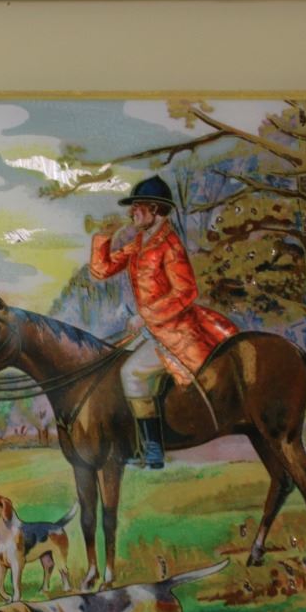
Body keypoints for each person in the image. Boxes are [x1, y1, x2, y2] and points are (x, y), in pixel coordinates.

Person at [88, 175, 238, 469]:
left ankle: (153, 449)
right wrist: (104, 236)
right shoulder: (140, 243)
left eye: (138, 208)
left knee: (131, 372)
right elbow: (101, 270)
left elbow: (186, 291)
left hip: (176, 333)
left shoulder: (170, 245)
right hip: (156, 331)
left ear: (154, 210)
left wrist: (146, 316)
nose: (132, 213)